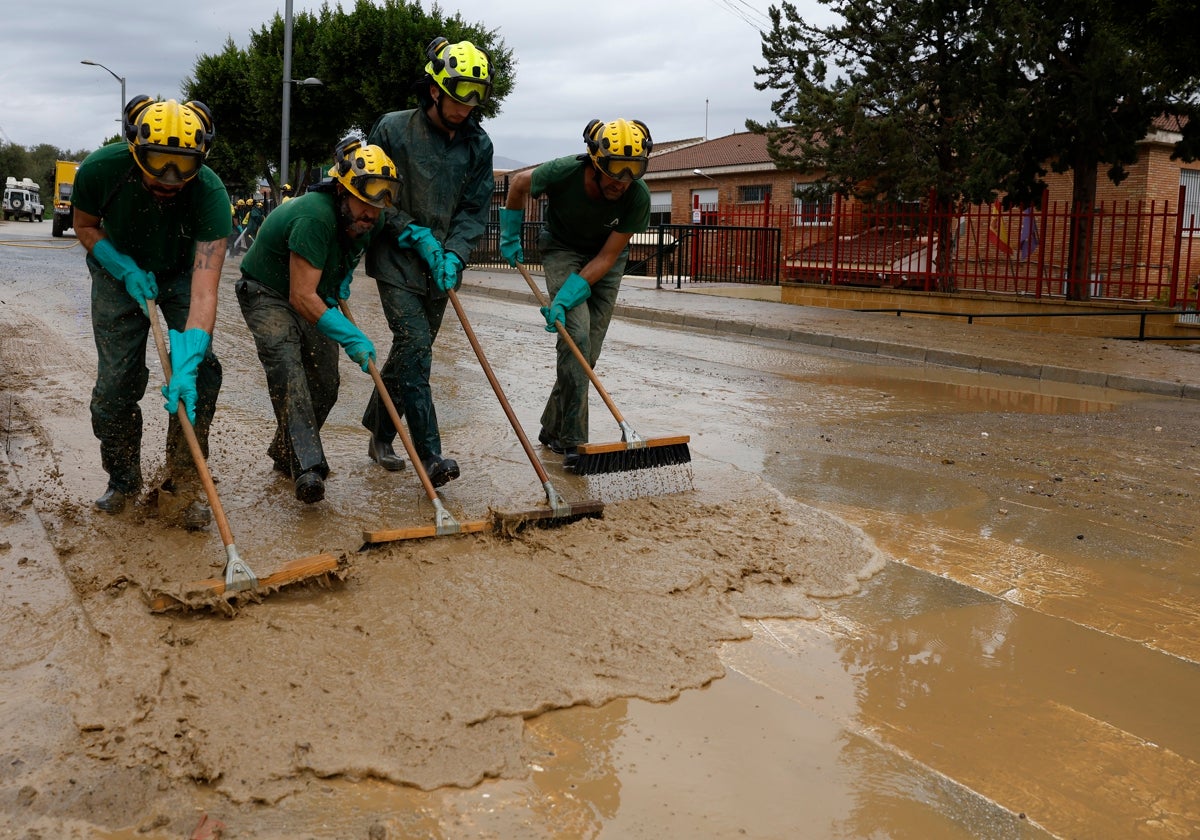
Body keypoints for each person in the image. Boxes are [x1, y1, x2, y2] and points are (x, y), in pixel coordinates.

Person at [72, 95, 231, 526]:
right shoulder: (100, 169)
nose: (170, 177)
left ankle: (180, 486)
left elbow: (204, 293)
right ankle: (123, 481)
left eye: (183, 165)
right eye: (157, 162)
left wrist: (190, 356)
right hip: (117, 269)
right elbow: (85, 225)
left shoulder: (212, 195)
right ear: (134, 150)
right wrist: (122, 267)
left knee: (201, 374)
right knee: (115, 387)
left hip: (182, 272)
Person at [361, 35, 496, 487]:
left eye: (476, 99)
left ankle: (379, 431)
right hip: (395, 257)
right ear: (435, 89)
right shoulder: (392, 129)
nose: (467, 107)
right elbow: (371, 193)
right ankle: (431, 455)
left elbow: (474, 210)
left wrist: (455, 253)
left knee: (411, 354)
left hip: (440, 266)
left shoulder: (479, 145)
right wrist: (411, 231)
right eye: (460, 96)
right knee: (416, 346)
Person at [235, 136, 400, 503]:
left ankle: (286, 453)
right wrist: (351, 335)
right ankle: (308, 467)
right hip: (268, 292)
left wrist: (340, 280)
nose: (371, 215)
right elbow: (300, 296)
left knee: (325, 381)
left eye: (379, 206)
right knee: (289, 368)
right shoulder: (314, 216)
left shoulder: (370, 215)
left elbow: (334, 268)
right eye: (364, 204)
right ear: (342, 191)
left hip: (313, 293)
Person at [499, 118, 652, 469]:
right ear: (596, 162)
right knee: (576, 338)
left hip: (605, 260)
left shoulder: (637, 196)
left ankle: (552, 428)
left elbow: (607, 257)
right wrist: (510, 234)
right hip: (562, 248)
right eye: (615, 171)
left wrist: (566, 297)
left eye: (633, 173)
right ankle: (573, 441)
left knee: (586, 354)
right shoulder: (564, 171)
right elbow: (520, 183)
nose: (623, 182)